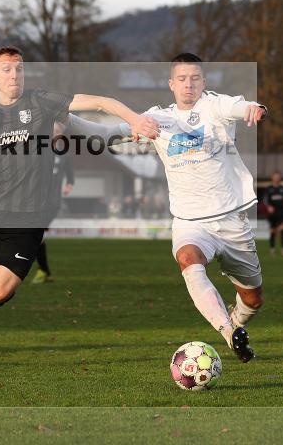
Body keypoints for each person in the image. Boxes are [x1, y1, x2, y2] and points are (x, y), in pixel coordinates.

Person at [0, 46, 159, 366]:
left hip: (28, 216)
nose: (14, 75)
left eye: (19, 69)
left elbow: (102, 103)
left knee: (1, 293)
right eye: (7, 70)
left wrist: (135, 120)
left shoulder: (41, 101)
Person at [72, 53, 267, 363]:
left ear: (203, 82)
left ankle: (238, 323)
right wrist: (61, 116)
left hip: (231, 220)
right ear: (171, 84)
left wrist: (253, 109)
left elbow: (239, 106)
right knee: (188, 259)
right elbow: (105, 135)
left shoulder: (214, 106)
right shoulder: (155, 118)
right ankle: (228, 332)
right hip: (190, 222)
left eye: (194, 78)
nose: (188, 84)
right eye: (182, 79)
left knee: (253, 299)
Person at [30, 121, 75, 284]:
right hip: (36, 200)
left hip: (51, 202)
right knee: (34, 235)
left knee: (34, 234)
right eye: (52, 130)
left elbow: (70, 174)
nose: (54, 133)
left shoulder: (64, 154)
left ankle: (42, 271)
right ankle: (44, 271)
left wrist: (70, 184)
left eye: (57, 131)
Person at [264, 172, 283, 257]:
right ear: (272, 178)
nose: (277, 178)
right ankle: (272, 249)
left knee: (282, 229)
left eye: (278, 177)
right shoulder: (269, 189)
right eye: (275, 177)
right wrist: (269, 207)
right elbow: (265, 200)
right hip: (272, 213)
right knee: (273, 231)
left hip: (281, 212)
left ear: (280, 178)